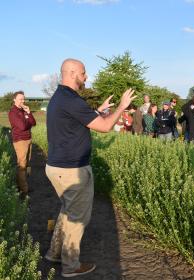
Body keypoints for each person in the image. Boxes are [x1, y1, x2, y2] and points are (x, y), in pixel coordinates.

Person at [44, 58, 136, 278]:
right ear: (73, 72)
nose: (86, 77)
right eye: (84, 73)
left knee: (67, 212)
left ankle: (54, 253)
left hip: (56, 167)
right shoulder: (72, 100)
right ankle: (71, 266)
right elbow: (104, 127)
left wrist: (98, 110)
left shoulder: (61, 98)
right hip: (72, 171)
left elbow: (81, 120)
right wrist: (122, 107)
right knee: (77, 218)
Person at [8, 91, 36, 195]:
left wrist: (28, 113)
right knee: (22, 165)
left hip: (28, 139)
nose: (22, 101)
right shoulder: (13, 112)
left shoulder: (24, 110)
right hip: (20, 141)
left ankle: (22, 186)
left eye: (23, 99)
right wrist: (27, 121)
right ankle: (24, 190)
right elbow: (23, 126)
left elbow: (34, 123)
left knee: (27, 163)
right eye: (20, 99)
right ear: (14, 100)